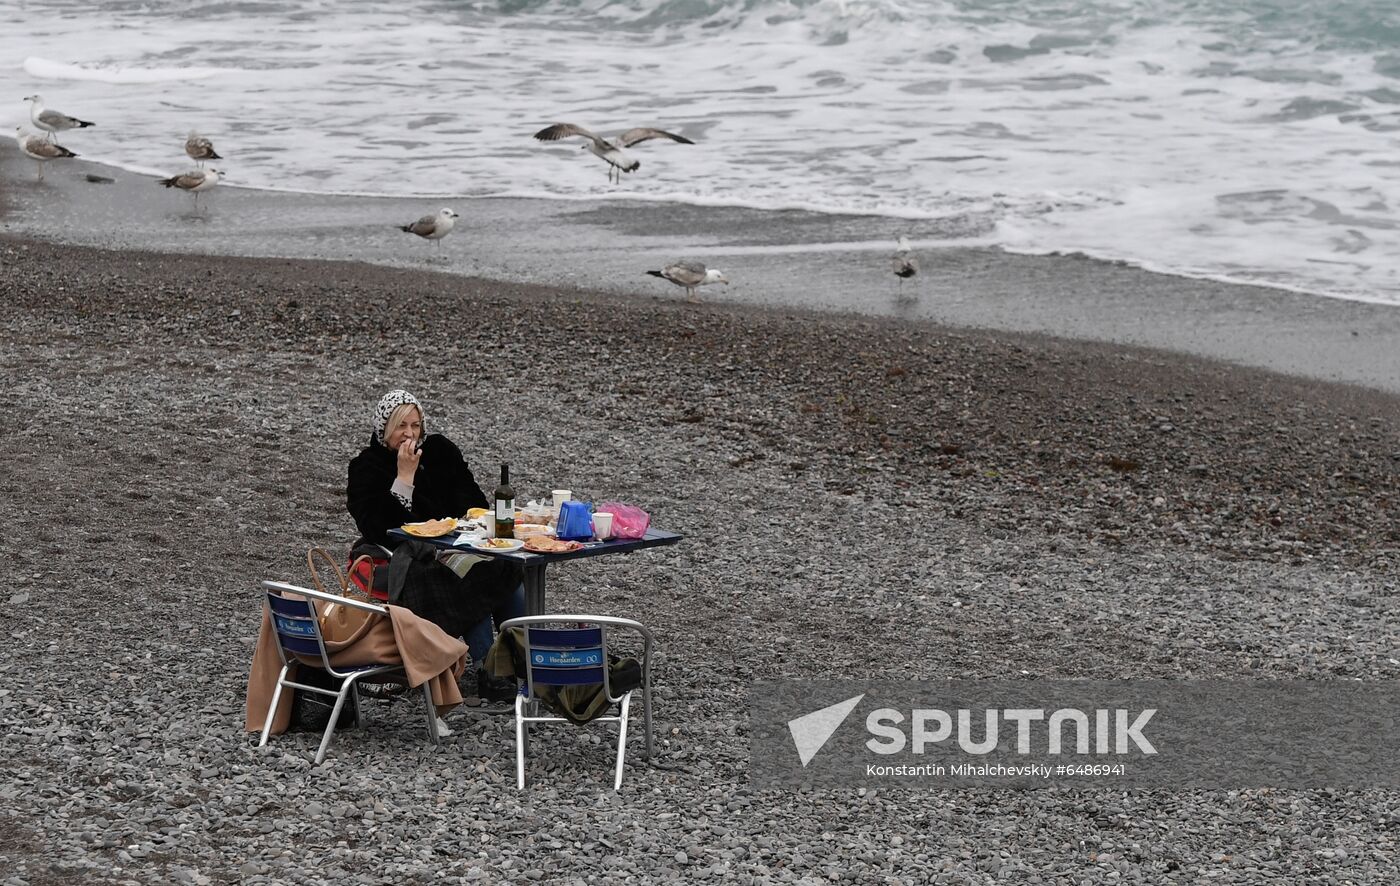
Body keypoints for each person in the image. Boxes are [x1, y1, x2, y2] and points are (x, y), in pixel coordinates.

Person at [346, 389, 522, 705]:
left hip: (457, 543)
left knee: (508, 564)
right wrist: (404, 478)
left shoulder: (440, 452)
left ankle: (523, 659)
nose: (410, 434)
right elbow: (378, 528)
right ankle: (487, 669)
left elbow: (474, 502)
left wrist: (464, 521)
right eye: (401, 426)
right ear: (384, 429)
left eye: (415, 425)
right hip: (404, 556)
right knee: (466, 577)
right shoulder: (366, 467)